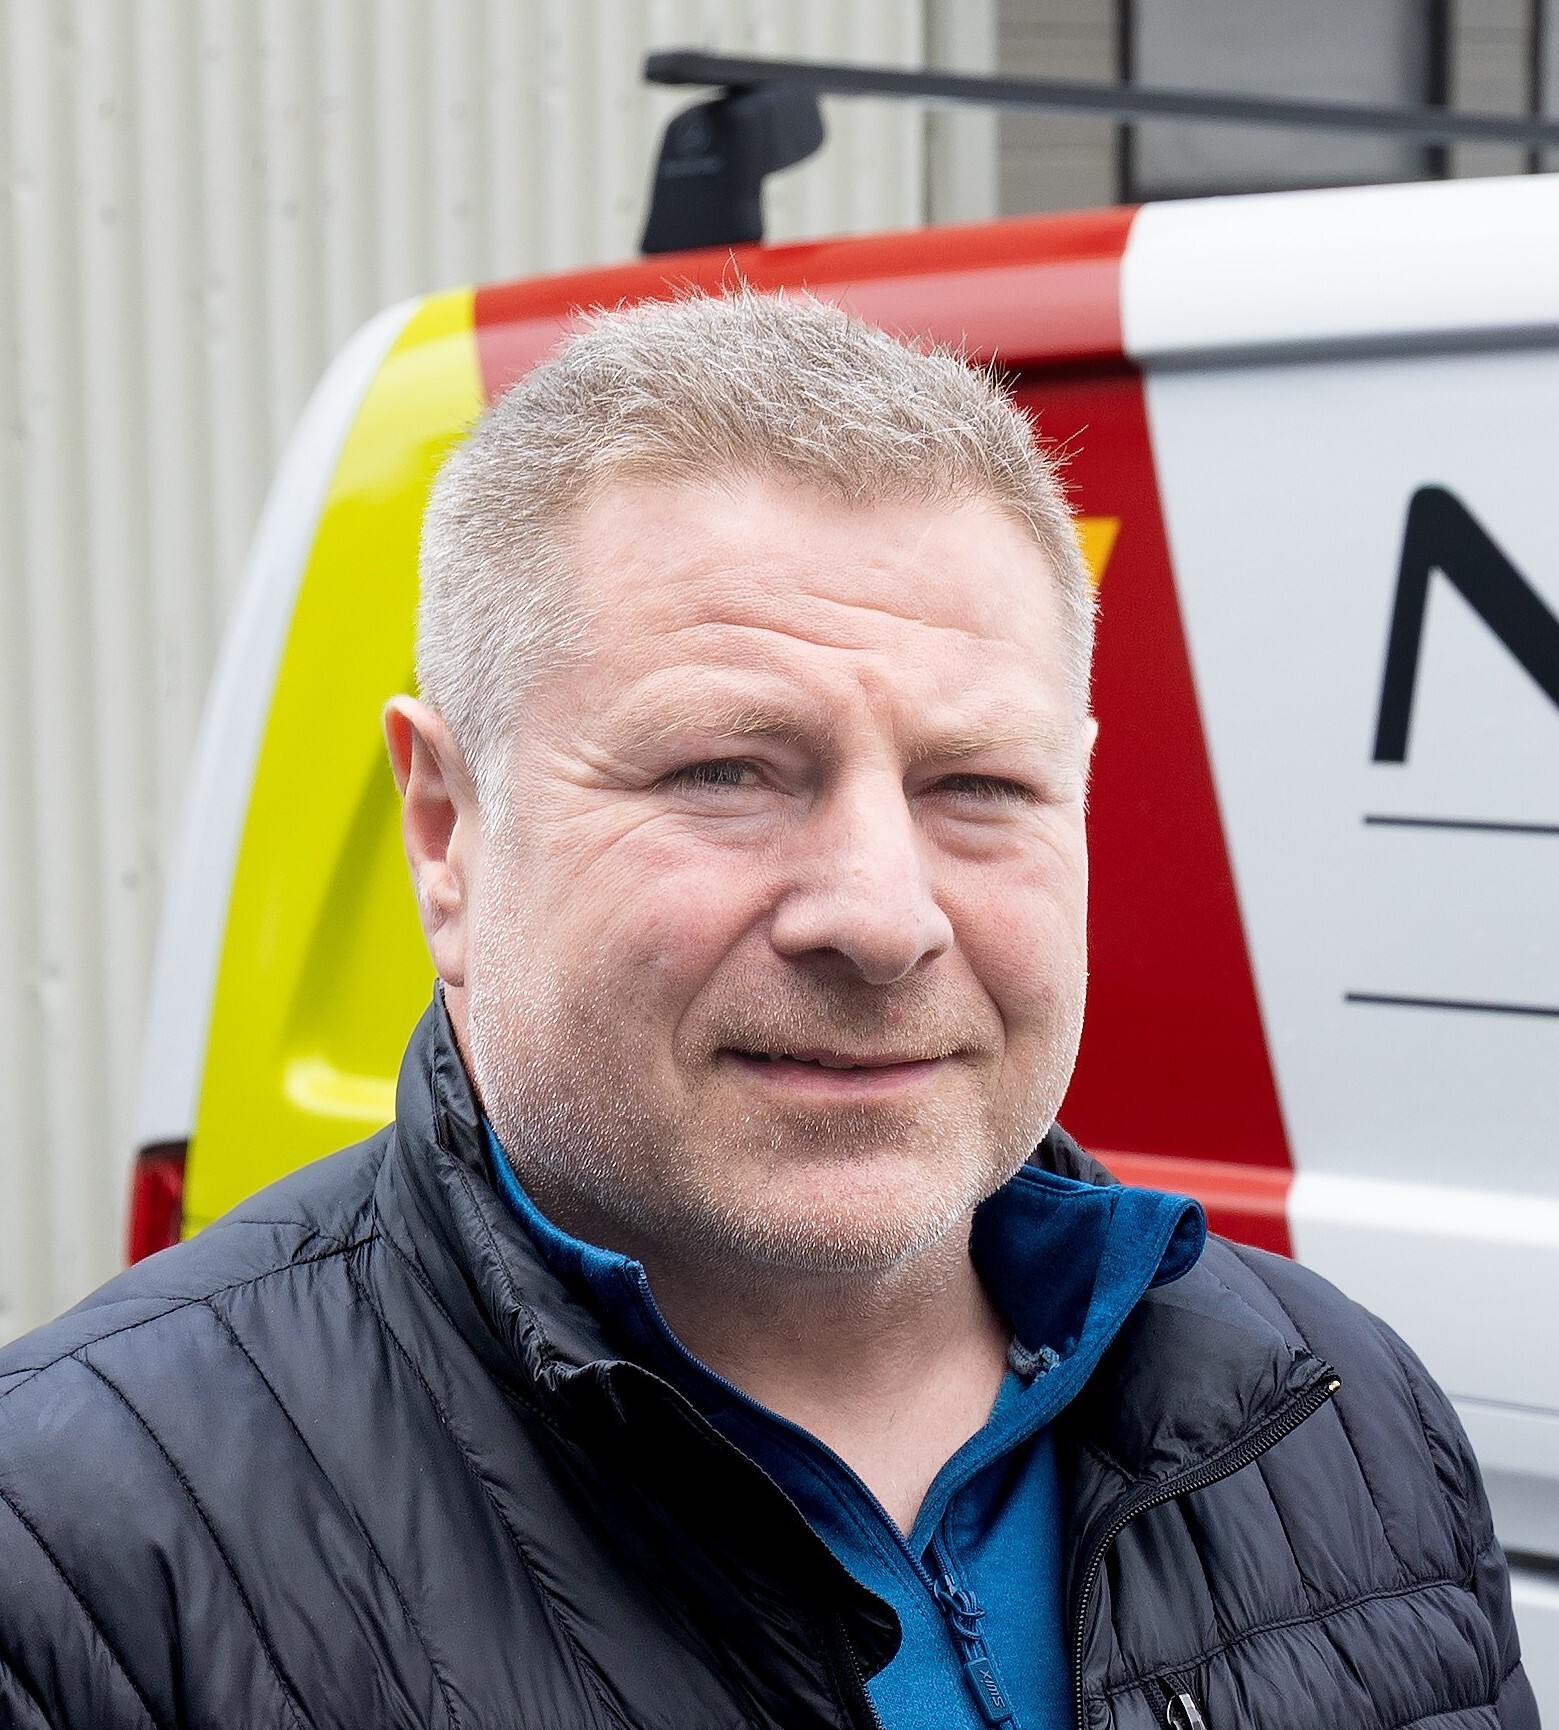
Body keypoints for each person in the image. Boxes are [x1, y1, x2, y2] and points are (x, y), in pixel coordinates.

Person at [0, 292, 1534, 1730]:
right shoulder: (78, 1556)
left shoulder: (1343, 1415)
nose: (881, 915)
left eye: (977, 784)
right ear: (447, 831)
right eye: (726, 769)